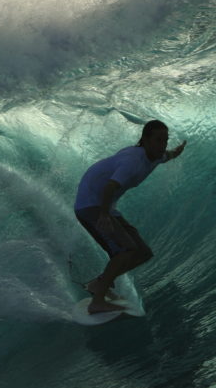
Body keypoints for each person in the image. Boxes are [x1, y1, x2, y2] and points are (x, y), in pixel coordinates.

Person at [74, 120, 186, 313]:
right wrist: (104, 215)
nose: (163, 145)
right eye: (158, 140)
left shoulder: (156, 156)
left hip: (106, 205)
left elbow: (168, 155)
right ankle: (97, 302)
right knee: (125, 250)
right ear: (145, 140)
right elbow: (110, 186)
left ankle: (99, 284)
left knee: (143, 252)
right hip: (91, 203)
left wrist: (178, 150)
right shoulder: (133, 161)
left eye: (165, 140)